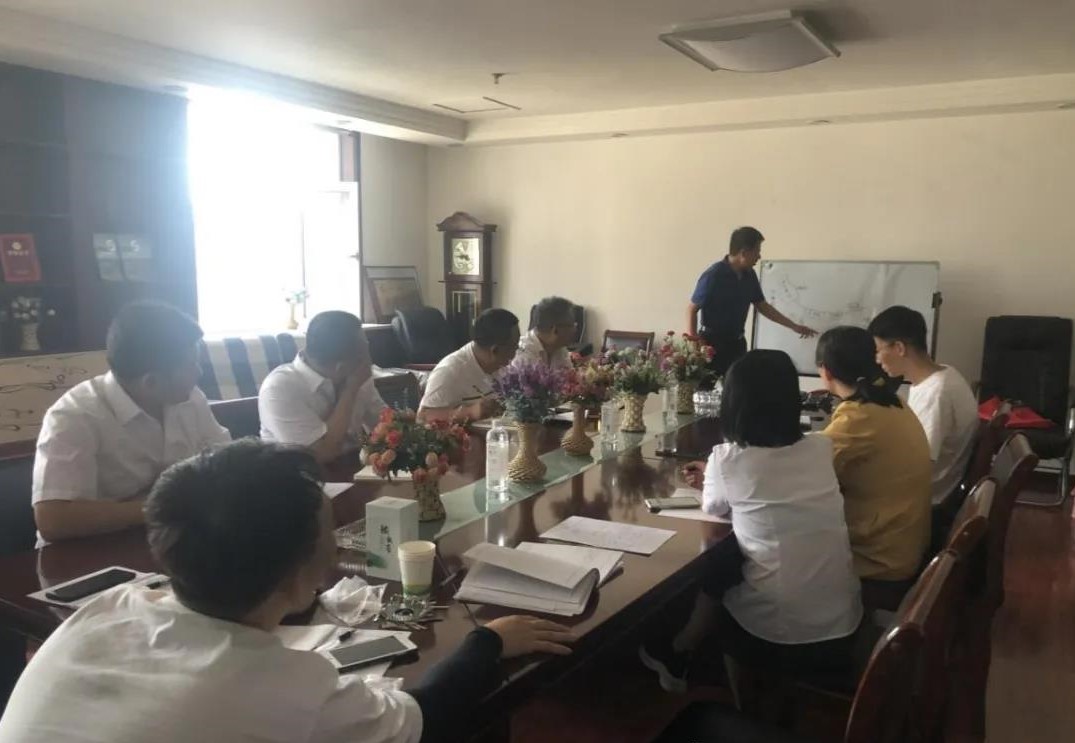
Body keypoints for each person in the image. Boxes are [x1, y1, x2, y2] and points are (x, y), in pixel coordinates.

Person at [0, 440, 575, 743]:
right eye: (331, 535)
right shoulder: (285, 689)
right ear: (302, 577)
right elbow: (423, 718)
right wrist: (488, 642)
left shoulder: (104, 610)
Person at [639, 350, 862, 693]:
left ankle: (696, 661)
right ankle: (683, 652)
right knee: (733, 557)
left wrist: (714, 476)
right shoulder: (821, 448)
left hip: (778, 633)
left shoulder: (727, 459)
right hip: (843, 621)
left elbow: (714, 505)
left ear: (734, 403)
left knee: (723, 564)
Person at [31, 301, 230, 544]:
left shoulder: (189, 398)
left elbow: (226, 462)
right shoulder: (74, 416)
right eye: (190, 365)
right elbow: (53, 520)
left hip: (164, 540)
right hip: (83, 554)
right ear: (151, 382)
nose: (199, 372)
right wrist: (162, 506)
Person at [816, 326, 932, 587]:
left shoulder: (858, 416)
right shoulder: (892, 401)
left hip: (879, 560)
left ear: (826, 371)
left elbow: (804, 474)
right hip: (904, 544)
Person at [868, 306, 979, 506]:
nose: (876, 359)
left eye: (878, 350)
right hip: (934, 486)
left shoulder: (935, 394)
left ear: (899, 348)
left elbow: (917, 465)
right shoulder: (946, 373)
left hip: (925, 500)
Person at [687, 226, 817, 378]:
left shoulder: (750, 275)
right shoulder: (714, 276)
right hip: (712, 344)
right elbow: (691, 310)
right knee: (706, 388)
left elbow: (763, 306)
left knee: (738, 386)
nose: (759, 256)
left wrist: (794, 326)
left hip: (737, 344)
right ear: (743, 253)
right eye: (757, 251)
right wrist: (695, 345)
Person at [259, 311, 386, 464]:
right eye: (365, 349)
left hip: (354, 467)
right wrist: (350, 390)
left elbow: (386, 426)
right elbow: (319, 455)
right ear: (341, 367)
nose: (369, 361)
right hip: (299, 475)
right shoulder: (280, 389)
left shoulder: (355, 372)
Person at [418, 308, 520, 423]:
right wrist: (470, 412)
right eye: (515, 346)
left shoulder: (502, 366)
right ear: (495, 350)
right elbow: (422, 417)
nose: (517, 351)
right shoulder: (450, 371)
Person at [514, 296, 576, 371]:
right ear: (555, 330)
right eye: (572, 325)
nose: (575, 330)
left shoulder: (559, 349)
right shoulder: (524, 356)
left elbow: (570, 375)